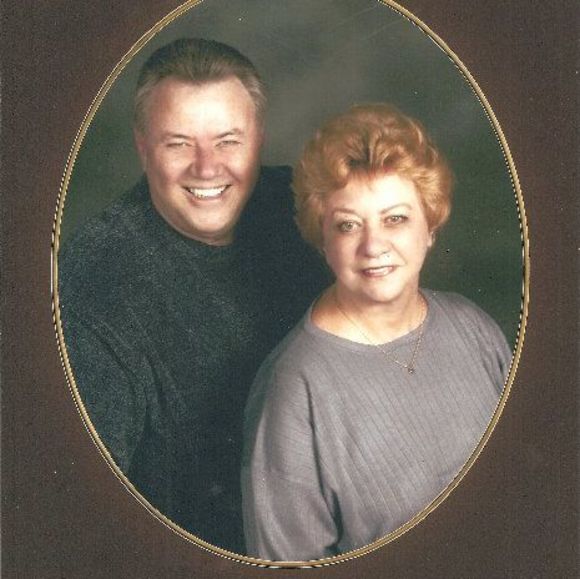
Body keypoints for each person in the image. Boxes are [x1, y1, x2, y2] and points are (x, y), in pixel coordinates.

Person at [58, 38, 328, 553]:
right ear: (143, 148)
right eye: (178, 144)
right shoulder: (93, 293)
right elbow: (84, 521)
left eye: (228, 141)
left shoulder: (301, 210)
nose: (207, 168)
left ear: (259, 139)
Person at [242, 103, 512, 561]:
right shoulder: (294, 390)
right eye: (348, 225)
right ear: (323, 240)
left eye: (395, 219)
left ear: (430, 226)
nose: (373, 246)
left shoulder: (473, 328)